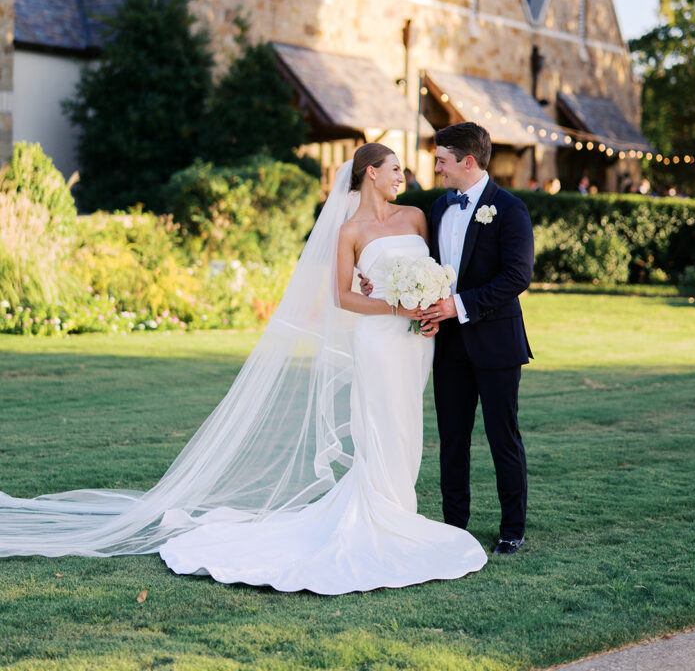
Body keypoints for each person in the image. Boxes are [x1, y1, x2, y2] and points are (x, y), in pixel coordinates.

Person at [0, 143, 486, 594]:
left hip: (415, 343)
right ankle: (386, 515)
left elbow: (436, 274)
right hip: (379, 340)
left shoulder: (417, 217)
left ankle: (400, 509)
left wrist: (428, 308)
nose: (404, 174)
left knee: (408, 425)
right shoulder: (349, 231)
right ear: (370, 174)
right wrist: (398, 308)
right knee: (379, 423)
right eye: (395, 168)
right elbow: (343, 296)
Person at [363, 124, 534, 554]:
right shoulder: (439, 208)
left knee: (503, 437)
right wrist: (379, 285)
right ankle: (454, 525)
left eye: (441, 160)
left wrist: (456, 306)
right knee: (452, 439)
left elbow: (517, 276)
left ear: (467, 162)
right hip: (448, 346)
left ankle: (512, 529)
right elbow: (421, 266)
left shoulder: (509, 209)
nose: (435, 168)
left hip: (496, 343)